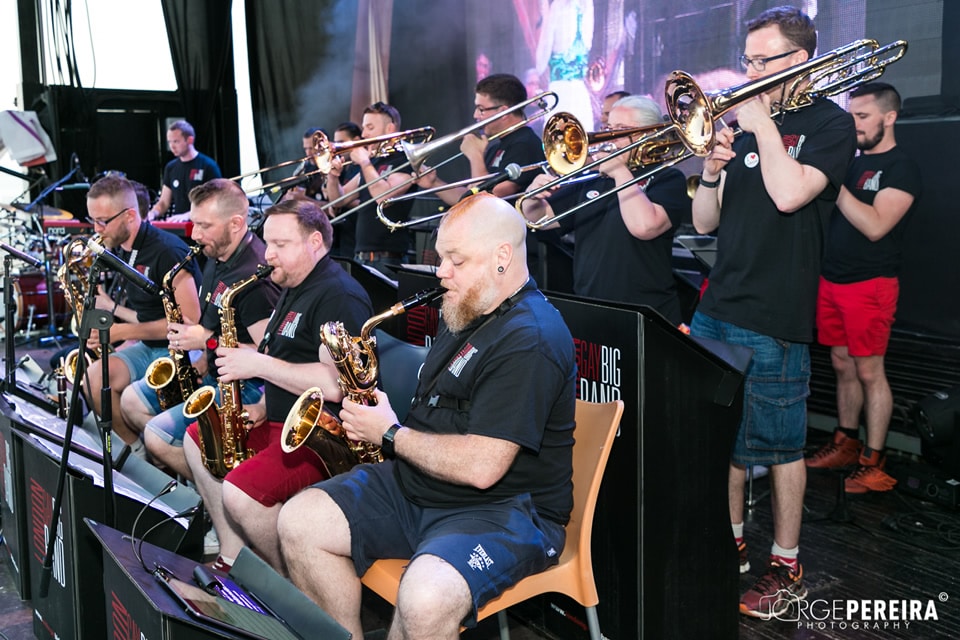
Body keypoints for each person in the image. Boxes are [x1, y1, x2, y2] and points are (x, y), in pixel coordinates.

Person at [277, 193, 577, 639]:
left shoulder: (530, 337)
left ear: (502, 257)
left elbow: (482, 467)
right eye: (441, 258)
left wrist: (388, 433)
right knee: (298, 521)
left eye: (456, 260)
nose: (441, 272)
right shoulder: (473, 304)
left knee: (424, 599)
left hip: (504, 511)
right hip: (420, 486)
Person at [688, 6, 856, 619]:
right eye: (748, 60)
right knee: (724, 441)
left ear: (800, 59)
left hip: (774, 314)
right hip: (717, 307)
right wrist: (711, 172)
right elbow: (705, 223)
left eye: (764, 61)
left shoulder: (831, 125)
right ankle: (729, 542)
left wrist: (759, 126)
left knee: (781, 448)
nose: (751, 72)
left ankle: (787, 566)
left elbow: (789, 196)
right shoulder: (750, 126)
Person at [184, 198, 372, 572]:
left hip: (323, 440)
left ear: (315, 242)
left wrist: (260, 365)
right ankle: (232, 553)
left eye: (280, 245)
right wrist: (262, 406)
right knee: (196, 438)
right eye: (267, 242)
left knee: (241, 494)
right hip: (281, 420)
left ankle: (284, 578)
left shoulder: (339, 295)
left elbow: (335, 385)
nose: (268, 254)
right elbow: (291, 356)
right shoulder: (292, 282)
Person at [119, 178, 280, 480]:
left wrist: (206, 340)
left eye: (205, 226)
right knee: (131, 402)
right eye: (194, 223)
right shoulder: (217, 254)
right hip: (212, 370)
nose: (195, 234)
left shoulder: (254, 280)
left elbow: (270, 354)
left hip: (245, 387)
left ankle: (214, 494)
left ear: (236, 223)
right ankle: (181, 479)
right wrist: (202, 359)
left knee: (158, 437)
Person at [805, 82, 921, 494]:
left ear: (889, 117)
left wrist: (834, 183)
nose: (853, 124)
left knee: (870, 371)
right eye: (851, 115)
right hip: (831, 279)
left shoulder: (901, 167)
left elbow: (875, 226)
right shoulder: (851, 162)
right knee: (841, 364)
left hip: (870, 283)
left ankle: (874, 460)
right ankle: (846, 442)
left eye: (862, 116)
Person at [520, 95, 689, 324]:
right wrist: (532, 196)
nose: (609, 136)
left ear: (647, 134)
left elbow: (644, 227)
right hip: (592, 305)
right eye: (608, 128)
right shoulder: (593, 178)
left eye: (621, 129)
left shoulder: (667, 177)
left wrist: (619, 172)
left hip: (647, 312)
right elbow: (539, 218)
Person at [83, 174, 203, 458]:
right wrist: (112, 310)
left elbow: (190, 321)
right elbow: (148, 314)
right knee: (92, 378)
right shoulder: (123, 248)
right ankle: (137, 454)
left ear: (129, 215)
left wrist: (122, 333)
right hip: (150, 346)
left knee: (122, 394)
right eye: (92, 220)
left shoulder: (167, 251)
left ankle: (164, 459)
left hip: (181, 351)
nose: (96, 230)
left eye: (103, 221)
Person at [417, 73, 546, 206]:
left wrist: (476, 156)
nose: (475, 115)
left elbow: (486, 200)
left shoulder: (525, 144)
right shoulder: (496, 147)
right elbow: (469, 197)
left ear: (504, 112)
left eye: (481, 109)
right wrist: (434, 183)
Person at [324, 102, 416, 277]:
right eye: (364, 127)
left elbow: (383, 197)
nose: (364, 134)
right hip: (361, 256)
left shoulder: (405, 160)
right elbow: (338, 200)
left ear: (389, 129)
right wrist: (333, 176)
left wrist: (365, 163)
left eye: (370, 127)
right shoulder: (373, 163)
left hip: (388, 258)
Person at [536, 0, 595, 129]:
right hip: (569, 93)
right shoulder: (583, 7)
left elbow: (540, 63)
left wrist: (546, 15)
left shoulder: (562, 7)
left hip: (566, 93)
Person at [148, 120, 223, 221]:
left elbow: (215, 201)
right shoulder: (171, 167)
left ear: (190, 140)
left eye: (176, 141)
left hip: (202, 223)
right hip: (178, 223)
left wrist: (188, 215)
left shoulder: (208, 166)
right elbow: (164, 202)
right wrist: (152, 213)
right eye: (169, 142)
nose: (172, 146)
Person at [329, 121, 362, 258]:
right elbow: (337, 200)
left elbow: (369, 199)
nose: (336, 148)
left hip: (359, 235)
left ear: (356, 140)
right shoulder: (345, 167)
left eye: (341, 142)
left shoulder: (364, 165)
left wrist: (342, 203)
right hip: (345, 236)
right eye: (335, 143)